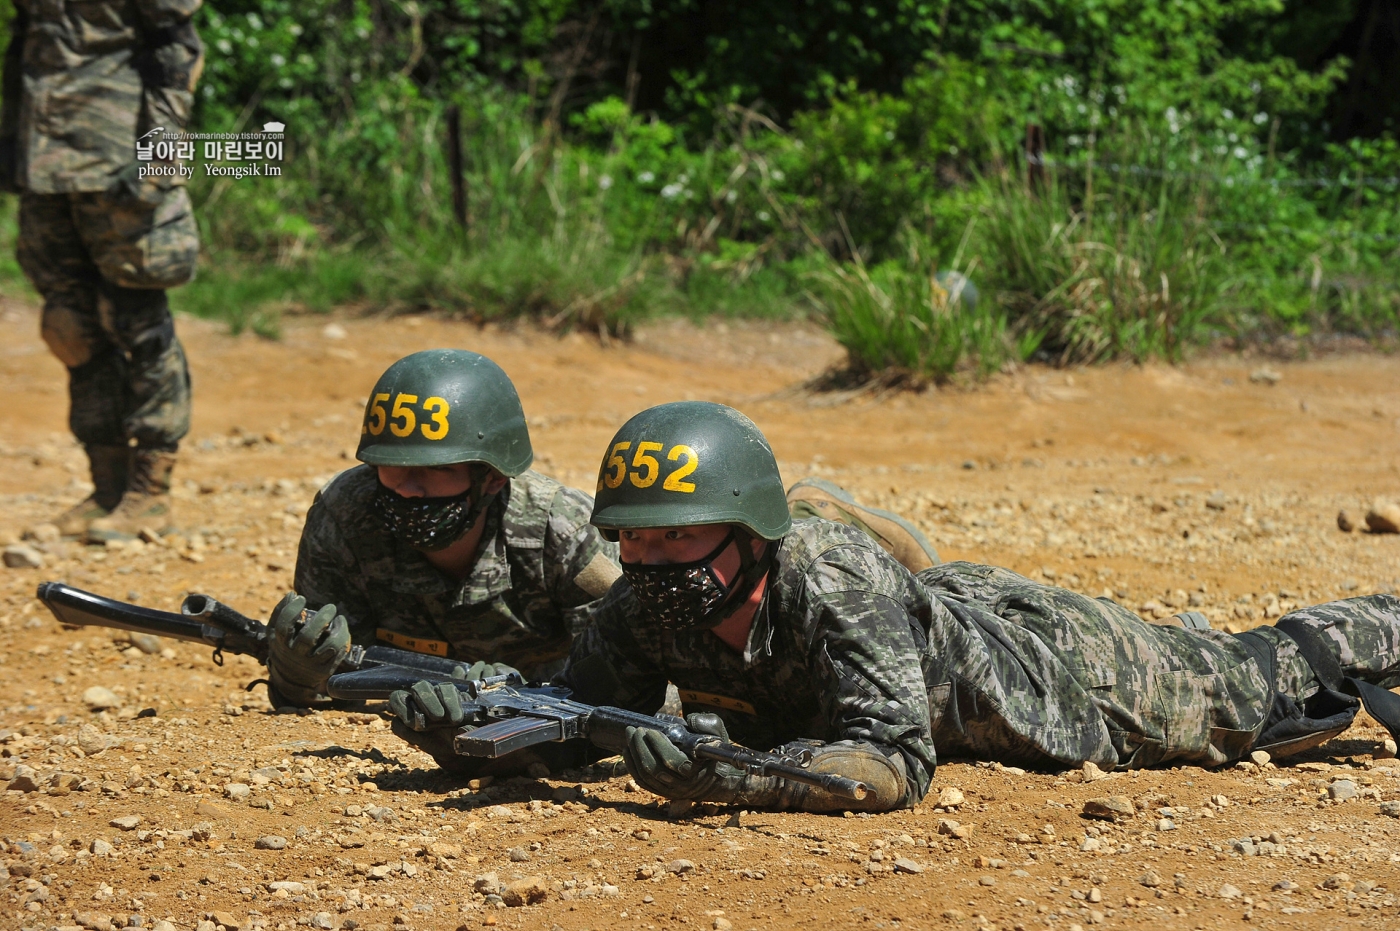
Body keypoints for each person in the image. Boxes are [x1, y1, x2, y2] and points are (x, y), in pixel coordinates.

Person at [392, 400, 1400, 812]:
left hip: (1058, 679)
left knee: (1257, 679)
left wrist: (737, 774)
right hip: (927, 619)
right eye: (635, 538)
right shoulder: (646, 604)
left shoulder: (823, 578)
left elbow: (891, 763)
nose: (649, 561)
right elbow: (578, 714)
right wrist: (469, 732)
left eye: (678, 536)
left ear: (751, 533)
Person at [270, 351, 943, 715]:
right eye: (392, 471)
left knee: (732, 544)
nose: (407, 489)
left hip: (554, 676)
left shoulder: (556, 533)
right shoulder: (347, 513)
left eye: (436, 472)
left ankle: (823, 511)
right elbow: (327, 669)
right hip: (491, 685)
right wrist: (299, 672)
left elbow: (664, 641)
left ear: (491, 477)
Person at [1, 0, 205, 540]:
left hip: (118, 159)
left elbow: (178, 47)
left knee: (135, 319)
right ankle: (107, 486)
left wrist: (161, 158)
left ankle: (151, 492)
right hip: (44, 161)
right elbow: (27, 44)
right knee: (68, 327)